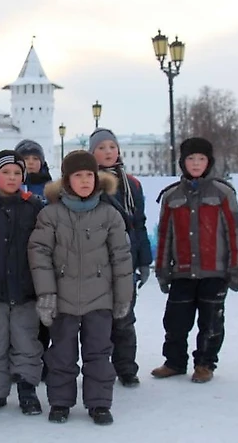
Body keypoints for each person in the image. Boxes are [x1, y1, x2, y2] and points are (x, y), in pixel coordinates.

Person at [28, 150, 134, 426]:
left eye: (89, 175)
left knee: (98, 352)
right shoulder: (50, 214)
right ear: (67, 181)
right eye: (78, 176)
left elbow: (121, 258)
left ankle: (99, 403)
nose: (85, 181)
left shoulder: (110, 214)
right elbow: (39, 255)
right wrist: (47, 294)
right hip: (63, 299)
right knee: (61, 353)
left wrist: (123, 297)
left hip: (100, 298)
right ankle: (61, 401)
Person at [151, 137, 238, 384]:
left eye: (201, 159)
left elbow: (234, 233)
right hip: (181, 271)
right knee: (175, 321)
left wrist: (236, 269)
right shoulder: (172, 196)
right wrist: (162, 270)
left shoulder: (223, 193)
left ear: (209, 162)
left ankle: (205, 363)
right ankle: (174, 362)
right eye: (190, 159)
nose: (195, 163)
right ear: (182, 162)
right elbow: (164, 236)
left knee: (211, 323)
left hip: (214, 272)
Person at [0, 150, 44, 415]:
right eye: (5, 172)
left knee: (26, 340)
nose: (12, 177)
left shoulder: (34, 206)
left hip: (26, 289)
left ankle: (27, 388)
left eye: (17, 173)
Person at [89, 128, 153, 387]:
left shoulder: (132, 184)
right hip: (96, 264)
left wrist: (144, 260)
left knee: (125, 319)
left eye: (112, 147)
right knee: (99, 320)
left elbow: (139, 224)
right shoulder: (86, 179)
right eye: (102, 147)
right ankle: (100, 368)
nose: (108, 152)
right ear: (92, 152)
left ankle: (126, 367)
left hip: (126, 262)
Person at [14, 139, 54, 377]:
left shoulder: (51, 189)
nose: (31, 163)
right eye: (26, 160)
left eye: (35, 159)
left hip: (45, 259)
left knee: (45, 316)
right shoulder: (12, 187)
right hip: (18, 258)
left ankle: (45, 360)